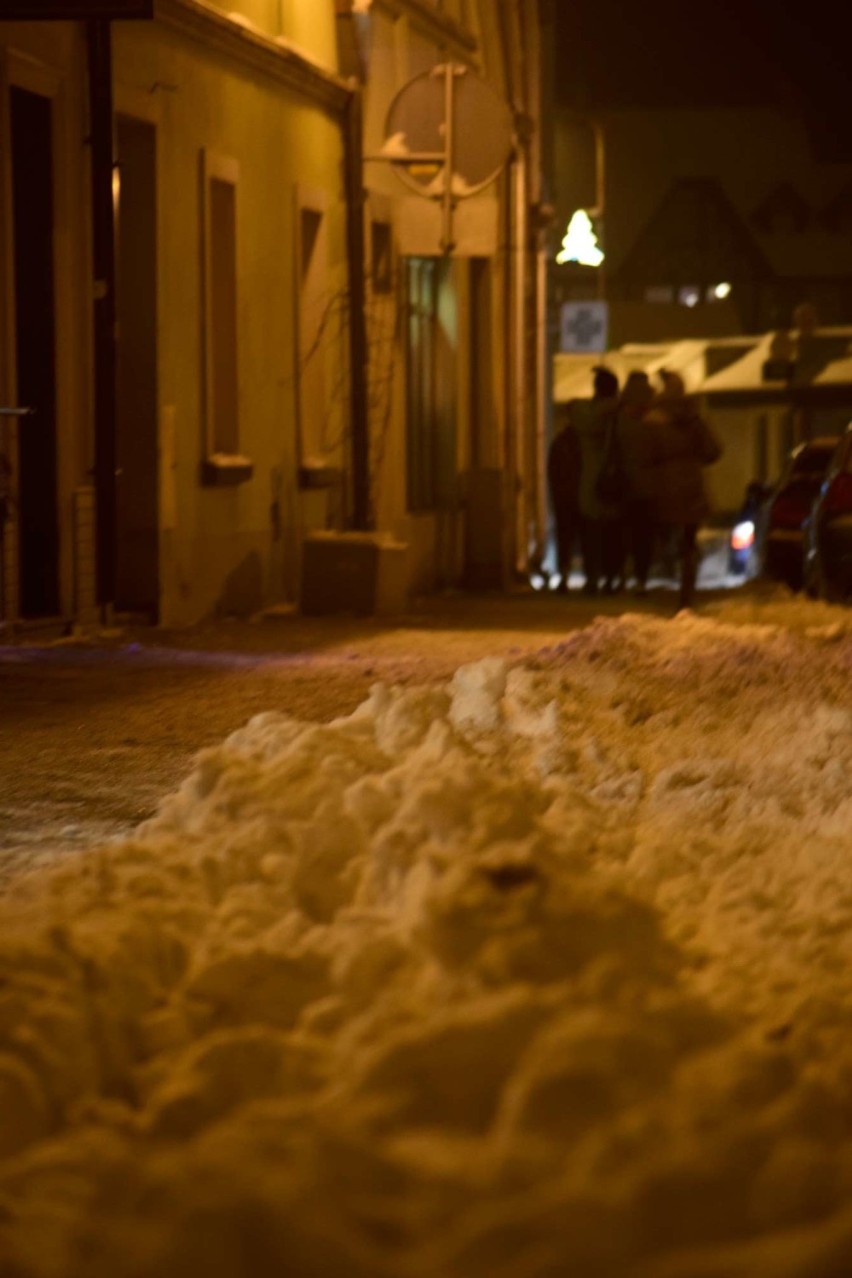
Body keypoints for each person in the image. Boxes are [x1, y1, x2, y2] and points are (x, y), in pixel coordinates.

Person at [643, 370, 723, 610]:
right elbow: (713, 452)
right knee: (688, 541)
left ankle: (658, 582)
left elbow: (644, 454)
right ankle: (686, 590)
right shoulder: (694, 420)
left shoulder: (652, 421)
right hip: (691, 487)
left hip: (662, 487)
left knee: (659, 535)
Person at [572, 365, 621, 595]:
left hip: (592, 479)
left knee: (591, 533)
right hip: (617, 479)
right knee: (614, 535)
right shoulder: (623, 413)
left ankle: (593, 577)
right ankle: (612, 577)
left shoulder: (587, 414)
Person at [614, 370, 657, 594]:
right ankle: (641, 579)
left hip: (623, 486)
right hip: (648, 487)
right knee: (643, 538)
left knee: (621, 535)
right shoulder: (655, 422)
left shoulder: (618, 421)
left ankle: (619, 576)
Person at [547, 402, 581, 592]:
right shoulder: (584, 442)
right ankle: (569, 574)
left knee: (565, 537)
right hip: (578, 494)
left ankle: (564, 574)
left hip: (566, 496)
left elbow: (553, 471)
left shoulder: (561, 442)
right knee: (585, 537)